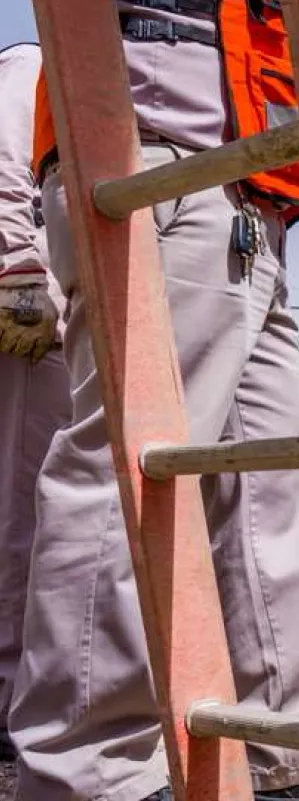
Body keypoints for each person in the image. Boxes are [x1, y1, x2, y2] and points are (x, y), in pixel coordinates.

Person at [11, 0, 299, 800]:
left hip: (249, 193)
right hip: (157, 164)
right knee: (126, 467)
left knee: (271, 489)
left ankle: (289, 753)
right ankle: (85, 772)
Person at [0, 40, 71, 764]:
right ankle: (7, 694)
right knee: (24, 512)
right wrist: (18, 269)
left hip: (63, 315)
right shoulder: (35, 61)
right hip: (30, 315)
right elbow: (3, 168)